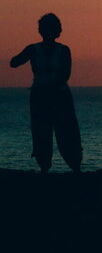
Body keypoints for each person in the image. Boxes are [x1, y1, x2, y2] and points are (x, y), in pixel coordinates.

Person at [10, 13, 82, 173]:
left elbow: (14, 62)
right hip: (53, 95)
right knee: (55, 131)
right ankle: (71, 168)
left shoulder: (37, 50)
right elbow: (65, 74)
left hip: (47, 95)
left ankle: (51, 168)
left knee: (51, 131)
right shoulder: (60, 50)